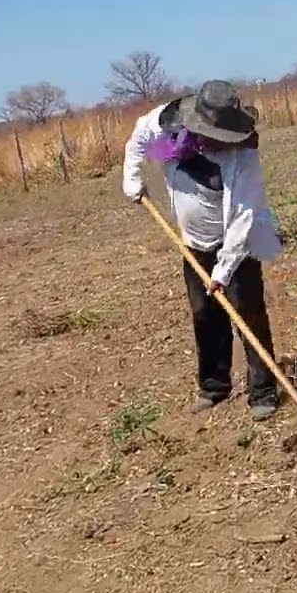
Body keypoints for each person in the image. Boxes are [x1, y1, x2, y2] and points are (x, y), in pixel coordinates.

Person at [122, 80, 284, 421]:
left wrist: (223, 272)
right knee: (204, 314)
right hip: (194, 243)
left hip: (236, 246)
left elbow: (242, 217)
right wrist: (132, 177)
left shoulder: (244, 156)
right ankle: (213, 386)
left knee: (248, 312)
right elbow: (139, 137)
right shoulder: (169, 129)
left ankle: (263, 391)